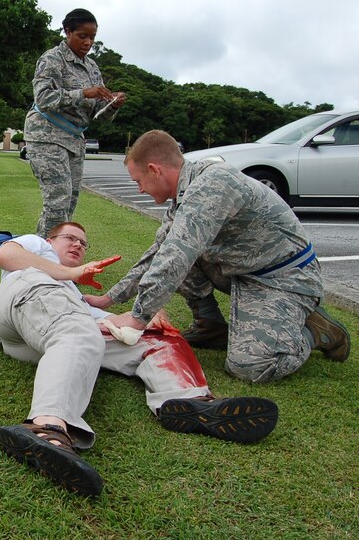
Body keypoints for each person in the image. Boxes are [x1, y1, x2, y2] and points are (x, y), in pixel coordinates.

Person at [0, 222, 280, 497]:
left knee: (159, 337)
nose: (78, 244)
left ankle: (187, 401)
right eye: (70, 238)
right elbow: (5, 254)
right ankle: (46, 427)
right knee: (78, 329)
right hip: (20, 303)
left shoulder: (75, 296)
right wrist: (74, 275)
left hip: (55, 334)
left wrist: (146, 317)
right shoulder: (37, 247)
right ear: (51, 240)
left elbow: (118, 323)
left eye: (83, 243)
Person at [92, 130, 350, 383]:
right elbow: (158, 252)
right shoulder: (183, 195)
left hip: (283, 279)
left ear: (155, 169)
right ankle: (211, 326)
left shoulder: (213, 184)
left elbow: (175, 257)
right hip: (243, 272)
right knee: (175, 254)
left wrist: (137, 318)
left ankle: (315, 332)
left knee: (251, 366)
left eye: (138, 181)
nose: (139, 190)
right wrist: (108, 299)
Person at [24, 8, 127, 235]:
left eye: (92, 37)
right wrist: (83, 93)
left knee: (69, 203)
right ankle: (47, 259)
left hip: (74, 139)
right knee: (57, 202)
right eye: (83, 36)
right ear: (67, 32)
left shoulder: (92, 67)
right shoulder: (52, 59)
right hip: (46, 135)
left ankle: (48, 254)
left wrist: (112, 105)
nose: (88, 42)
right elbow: (43, 98)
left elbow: (98, 114)